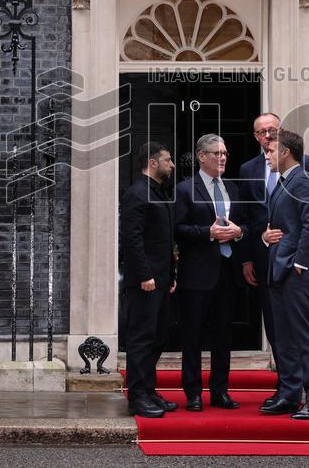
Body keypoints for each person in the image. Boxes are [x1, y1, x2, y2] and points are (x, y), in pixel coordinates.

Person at [238, 112, 309, 408]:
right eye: (262, 132)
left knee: (300, 332)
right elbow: (250, 217)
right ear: (256, 137)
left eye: (272, 131)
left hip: (294, 266)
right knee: (278, 331)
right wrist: (255, 247)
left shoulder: (304, 168)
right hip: (267, 262)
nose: (267, 137)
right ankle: (288, 390)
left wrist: (302, 261)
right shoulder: (249, 169)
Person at [174, 134, 251, 412]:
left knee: (223, 338)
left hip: (228, 273)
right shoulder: (185, 189)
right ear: (201, 156)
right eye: (216, 153)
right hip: (197, 275)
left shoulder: (234, 188)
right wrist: (208, 232)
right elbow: (178, 229)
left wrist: (239, 231)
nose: (222, 158)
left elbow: (247, 224)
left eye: (225, 154)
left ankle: (220, 392)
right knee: (192, 337)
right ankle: (193, 394)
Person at [259, 130, 309, 420]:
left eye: (271, 151)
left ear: (286, 152)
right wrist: (265, 237)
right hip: (277, 268)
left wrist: (301, 263)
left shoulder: (303, 181)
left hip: (295, 272)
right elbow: (279, 225)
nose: (267, 156)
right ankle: (289, 395)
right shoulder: (282, 182)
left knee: (304, 337)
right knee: (283, 337)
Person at [120, 141, 178, 418]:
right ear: (153, 163)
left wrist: (171, 276)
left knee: (157, 337)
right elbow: (131, 239)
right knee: (141, 339)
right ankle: (137, 397)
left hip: (161, 280)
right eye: (168, 160)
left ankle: (149, 390)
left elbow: (164, 242)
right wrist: (144, 275)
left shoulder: (159, 192)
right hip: (145, 281)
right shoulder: (137, 193)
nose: (172, 165)